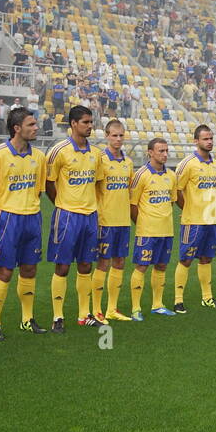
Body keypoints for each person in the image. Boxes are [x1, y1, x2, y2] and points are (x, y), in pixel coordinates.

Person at [0, 107, 47, 340]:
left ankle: (27, 319)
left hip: (32, 218)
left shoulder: (39, 157)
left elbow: (39, 190)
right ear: (17, 128)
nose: (36, 128)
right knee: (5, 271)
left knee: (30, 269)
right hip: (7, 218)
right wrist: (1, 216)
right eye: (31, 124)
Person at [45, 105, 100, 332]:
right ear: (73, 124)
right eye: (85, 122)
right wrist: (63, 205)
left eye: (91, 122)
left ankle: (84, 314)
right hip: (67, 216)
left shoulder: (96, 154)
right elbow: (49, 183)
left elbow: (97, 183)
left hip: (90, 216)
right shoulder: (59, 151)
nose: (89, 126)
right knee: (63, 266)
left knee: (86, 264)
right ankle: (58, 317)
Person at [128, 137, 178, 320]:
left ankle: (158, 305)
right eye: (160, 151)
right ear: (150, 152)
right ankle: (135, 309)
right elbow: (132, 205)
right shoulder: (141, 175)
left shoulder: (171, 176)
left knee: (162, 266)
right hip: (147, 231)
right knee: (142, 266)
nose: (165, 154)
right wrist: (142, 223)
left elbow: (171, 202)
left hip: (166, 230)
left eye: (166, 151)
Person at [173, 125, 216, 312]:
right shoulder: (187, 164)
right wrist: (189, 208)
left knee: (206, 259)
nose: (209, 142)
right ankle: (178, 300)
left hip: (211, 220)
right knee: (186, 259)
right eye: (205, 139)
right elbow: (176, 191)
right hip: (193, 221)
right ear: (196, 141)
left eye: (210, 138)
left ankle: (207, 297)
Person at [92, 119, 134, 323]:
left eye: (121, 135)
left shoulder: (128, 162)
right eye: (114, 135)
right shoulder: (100, 159)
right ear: (107, 136)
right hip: (105, 220)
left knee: (119, 262)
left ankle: (112, 309)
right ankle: (96, 310)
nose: (118, 139)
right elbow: (93, 189)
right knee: (103, 263)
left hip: (123, 220)